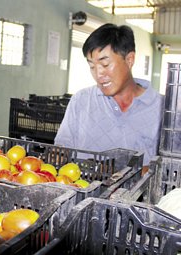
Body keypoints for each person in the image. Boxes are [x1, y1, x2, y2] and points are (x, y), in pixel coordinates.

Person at [54, 23, 163, 171]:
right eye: (92, 66)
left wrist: (141, 173)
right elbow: (62, 146)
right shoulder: (81, 100)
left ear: (129, 60)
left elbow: (170, 166)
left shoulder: (162, 109)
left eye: (105, 64)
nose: (98, 74)